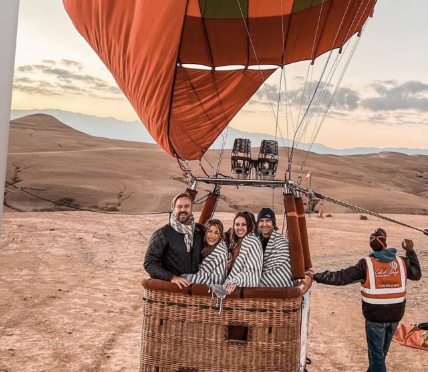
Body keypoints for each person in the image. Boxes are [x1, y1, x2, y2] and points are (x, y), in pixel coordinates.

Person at [311, 228, 422, 372]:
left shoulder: (366, 264)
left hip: (375, 317)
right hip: (395, 315)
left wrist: (315, 276)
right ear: (385, 242)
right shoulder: (401, 262)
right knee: (381, 355)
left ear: (371, 245)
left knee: (377, 357)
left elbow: (340, 277)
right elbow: (417, 274)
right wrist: (410, 252)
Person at [144, 192, 205, 289]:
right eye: (179, 206)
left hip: (195, 289)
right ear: (173, 209)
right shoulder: (163, 234)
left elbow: (218, 239)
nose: (183, 210)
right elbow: (149, 263)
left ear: (191, 208)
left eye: (186, 206)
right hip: (173, 290)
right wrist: (171, 277)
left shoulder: (200, 231)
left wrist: (229, 253)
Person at [223, 211, 263, 294]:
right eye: (237, 224)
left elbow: (252, 271)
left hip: (241, 289)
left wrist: (235, 281)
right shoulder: (234, 241)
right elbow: (222, 237)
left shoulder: (252, 243)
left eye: (243, 225)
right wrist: (229, 250)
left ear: (248, 226)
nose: (240, 228)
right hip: (229, 285)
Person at [257, 208, 294, 287]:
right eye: (261, 221)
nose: (264, 224)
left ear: (273, 223)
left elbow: (283, 269)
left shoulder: (282, 243)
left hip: (277, 285)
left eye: (268, 221)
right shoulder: (255, 241)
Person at [184, 219, 228, 285]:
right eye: (209, 231)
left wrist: (188, 277)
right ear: (205, 233)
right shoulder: (203, 247)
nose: (212, 236)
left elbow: (217, 281)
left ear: (220, 235)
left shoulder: (221, 254)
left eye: (216, 233)